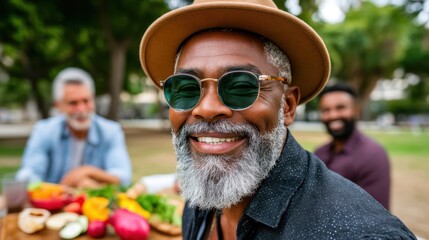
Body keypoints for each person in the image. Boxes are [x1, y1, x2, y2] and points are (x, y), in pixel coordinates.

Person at [139, 0, 416, 238]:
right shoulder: (202, 199)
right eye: (186, 88)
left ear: (288, 106)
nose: (207, 108)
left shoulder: (359, 234)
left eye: (241, 86)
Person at [18, 67, 132, 189]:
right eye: (73, 103)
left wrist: (86, 171)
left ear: (93, 99)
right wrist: (61, 189)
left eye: (86, 101)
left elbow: (124, 178)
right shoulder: (44, 131)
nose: (81, 109)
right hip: (52, 205)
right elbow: (28, 175)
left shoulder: (111, 131)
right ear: (58, 106)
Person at [315, 83, 391, 210]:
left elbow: (375, 216)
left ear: (356, 111)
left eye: (340, 108)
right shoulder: (319, 153)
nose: (333, 115)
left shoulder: (373, 155)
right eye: (326, 110)